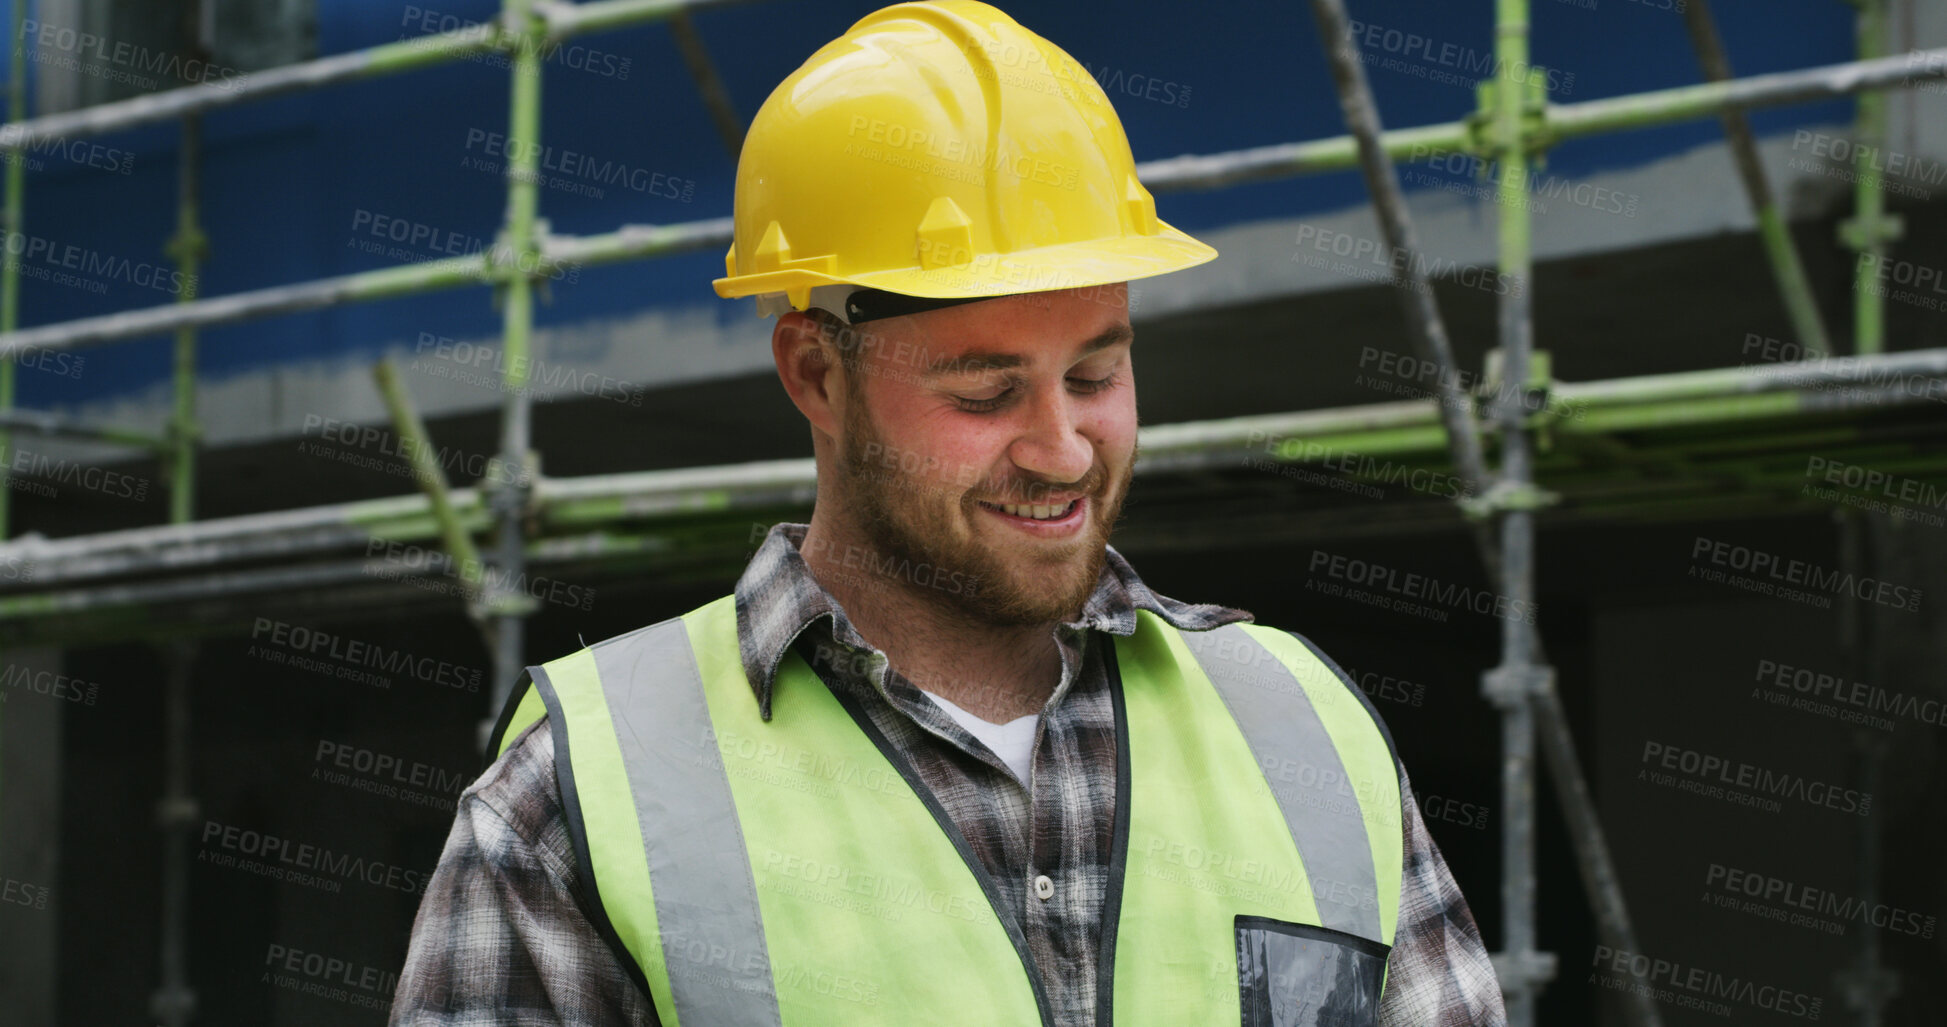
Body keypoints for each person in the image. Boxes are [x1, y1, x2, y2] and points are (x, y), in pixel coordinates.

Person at [391, 2, 1507, 1024]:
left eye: (1095, 376)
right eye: (984, 391)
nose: (1061, 448)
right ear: (817, 376)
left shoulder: (1303, 726)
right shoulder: (583, 789)